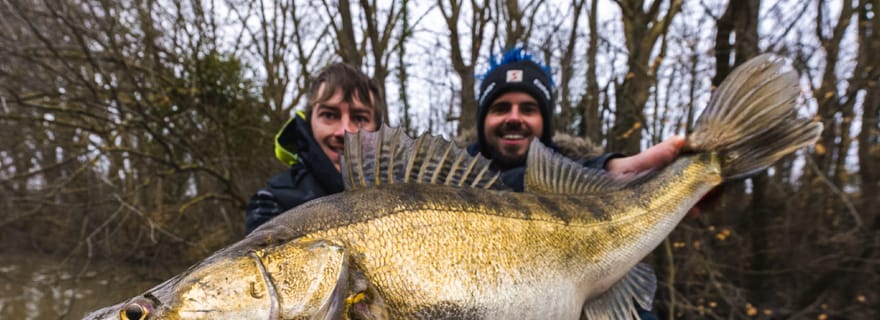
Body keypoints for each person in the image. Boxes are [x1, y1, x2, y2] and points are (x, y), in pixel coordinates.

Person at [468, 48, 677, 319]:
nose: (514, 118)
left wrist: (604, 173)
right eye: (500, 108)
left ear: (545, 121)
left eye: (528, 109)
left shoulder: (597, 191)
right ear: (483, 119)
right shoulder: (430, 182)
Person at [245, 62, 384, 234]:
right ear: (310, 122)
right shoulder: (270, 202)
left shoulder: (411, 186)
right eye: (329, 115)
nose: (344, 132)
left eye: (360, 118)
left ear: (377, 129)